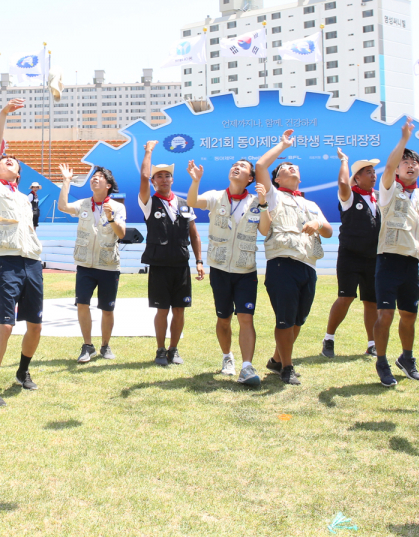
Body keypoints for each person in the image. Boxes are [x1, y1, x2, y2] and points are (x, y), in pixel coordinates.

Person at [0, 98, 44, 406]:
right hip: (7, 261)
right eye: (3, 160)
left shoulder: (24, 198)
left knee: (36, 324)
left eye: (11, 161)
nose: (4, 161)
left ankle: (22, 372)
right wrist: (3, 115)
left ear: (18, 174)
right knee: (6, 324)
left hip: (32, 262)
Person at [255, 129, 332, 386]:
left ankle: (277, 359)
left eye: (294, 166)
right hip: (282, 262)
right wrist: (283, 145)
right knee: (285, 318)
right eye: (285, 167)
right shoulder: (274, 195)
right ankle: (287, 367)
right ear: (276, 179)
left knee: (299, 319)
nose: (291, 168)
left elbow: (330, 231)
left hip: (308, 265)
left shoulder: (310, 204)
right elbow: (260, 165)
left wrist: (317, 224)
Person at [371, 118, 419, 388]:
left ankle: (407, 358)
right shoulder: (388, 192)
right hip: (388, 260)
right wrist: (404, 140)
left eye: (415, 163)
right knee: (385, 314)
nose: (411, 166)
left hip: (412, 262)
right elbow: (387, 166)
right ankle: (382, 360)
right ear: (397, 170)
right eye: (405, 162)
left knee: (409, 315)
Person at [186, 157, 264, 387]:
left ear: (250, 178)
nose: (236, 167)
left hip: (246, 269)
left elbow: (266, 229)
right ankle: (227, 356)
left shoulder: (256, 202)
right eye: (234, 165)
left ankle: (247, 366)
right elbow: (192, 201)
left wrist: (264, 203)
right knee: (224, 319)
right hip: (219, 269)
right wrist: (195, 181)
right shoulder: (215, 196)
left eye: (242, 167)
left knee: (246, 318)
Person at [139, 141, 203, 367]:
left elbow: (194, 235)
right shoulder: (148, 202)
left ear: (172, 180)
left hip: (181, 265)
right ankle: (160, 349)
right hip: (159, 265)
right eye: (159, 176)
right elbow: (143, 175)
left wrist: (199, 261)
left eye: (167, 176)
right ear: (153, 181)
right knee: (162, 309)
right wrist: (148, 152)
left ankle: (174, 349)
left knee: (179, 309)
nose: (164, 179)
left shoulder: (185, 204)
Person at [58, 163, 125, 364]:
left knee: (107, 308)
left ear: (108, 185)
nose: (94, 179)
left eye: (99, 177)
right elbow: (63, 206)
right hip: (85, 265)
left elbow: (121, 234)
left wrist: (111, 217)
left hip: (108, 265)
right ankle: (88, 346)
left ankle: (105, 345)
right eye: (93, 177)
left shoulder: (117, 206)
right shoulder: (84, 204)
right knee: (82, 304)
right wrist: (66, 181)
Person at [323, 150, 381, 359]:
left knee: (371, 302)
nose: (373, 175)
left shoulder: (378, 199)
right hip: (350, 255)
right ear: (356, 177)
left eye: (374, 171)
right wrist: (344, 161)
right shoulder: (349, 196)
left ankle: (372, 343)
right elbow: (342, 184)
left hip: (373, 258)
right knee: (345, 297)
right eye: (368, 172)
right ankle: (329, 338)